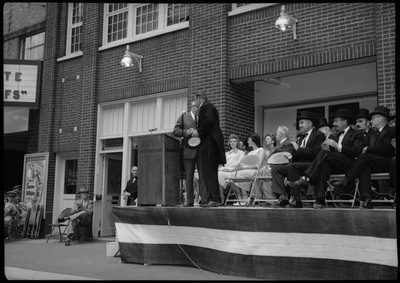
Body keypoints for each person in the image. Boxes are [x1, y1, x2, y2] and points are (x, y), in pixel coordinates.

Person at [287, 108, 365, 209]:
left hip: (350, 164)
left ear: (345, 122)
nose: (334, 123)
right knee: (323, 165)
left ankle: (306, 178)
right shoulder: (334, 135)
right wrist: (327, 148)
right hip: (335, 164)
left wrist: (338, 146)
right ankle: (320, 200)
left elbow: (356, 151)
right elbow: (330, 153)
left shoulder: (357, 134)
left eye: (336, 121)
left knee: (324, 154)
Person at [329, 106, 396, 209]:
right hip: (376, 161)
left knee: (364, 157)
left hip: (387, 162)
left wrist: (368, 149)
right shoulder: (378, 132)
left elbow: (386, 148)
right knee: (364, 166)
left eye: (373, 118)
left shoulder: (391, 130)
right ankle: (366, 199)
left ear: (380, 119)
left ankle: (346, 180)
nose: (371, 121)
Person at [271, 112, 325, 208]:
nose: (300, 125)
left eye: (302, 123)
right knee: (276, 168)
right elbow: (297, 154)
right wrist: (290, 156)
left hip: (312, 165)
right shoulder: (300, 138)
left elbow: (316, 152)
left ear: (310, 123)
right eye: (299, 123)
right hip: (298, 165)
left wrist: (298, 149)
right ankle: (283, 198)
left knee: (291, 166)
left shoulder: (319, 135)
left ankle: (297, 200)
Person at [189, 91, 226, 207]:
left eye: (196, 98)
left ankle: (215, 198)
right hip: (208, 143)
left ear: (201, 98)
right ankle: (214, 198)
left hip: (210, 143)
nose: (195, 101)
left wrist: (198, 132)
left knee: (209, 171)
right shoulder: (206, 107)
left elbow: (209, 121)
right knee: (208, 171)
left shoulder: (208, 107)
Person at [173, 100, 201, 207]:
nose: (199, 109)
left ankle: (204, 201)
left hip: (201, 150)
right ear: (193, 107)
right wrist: (185, 132)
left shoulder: (203, 118)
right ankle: (189, 201)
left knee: (202, 176)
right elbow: (175, 131)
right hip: (188, 150)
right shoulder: (184, 116)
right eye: (198, 107)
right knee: (189, 176)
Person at [230, 133, 267, 201]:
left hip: (258, 171)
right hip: (249, 170)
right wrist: (241, 166)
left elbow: (257, 166)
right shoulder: (250, 153)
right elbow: (245, 164)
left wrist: (244, 168)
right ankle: (242, 196)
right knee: (232, 175)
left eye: (249, 140)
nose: (247, 141)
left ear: (253, 140)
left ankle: (245, 196)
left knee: (239, 174)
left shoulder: (261, 150)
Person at [217, 134, 245, 203]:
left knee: (221, 174)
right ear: (229, 143)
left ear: (237, 143)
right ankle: (221, 197)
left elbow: (241, 165)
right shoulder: (226, 154)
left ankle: (239, 196)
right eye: (231, 141)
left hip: (234, 171)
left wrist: (229, 170)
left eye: (234, 141)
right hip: (225, 170)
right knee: (218, 173)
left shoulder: (241, 153)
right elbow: (223, 164)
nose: (232, 143)